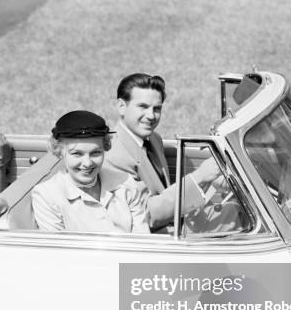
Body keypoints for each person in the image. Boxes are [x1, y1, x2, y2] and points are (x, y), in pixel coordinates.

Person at [103, 73, 222, 231]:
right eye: (143, 107)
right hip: (152, 239)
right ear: (121, 107)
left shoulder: (154, 139)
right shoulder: (112, 156)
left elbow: (162, 191)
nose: (151, 116)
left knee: (233, 211)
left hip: (174, 223)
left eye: (157, 109)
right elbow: (145, 214)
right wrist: (200, 177)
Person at [31, 110, 149, 233]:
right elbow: (58, 249)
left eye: (95, 153)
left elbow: (142, 240)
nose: (87, 163)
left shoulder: (126, 183)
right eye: (77, 154)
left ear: (105, 148)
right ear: (59, 151)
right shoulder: (47, 195)